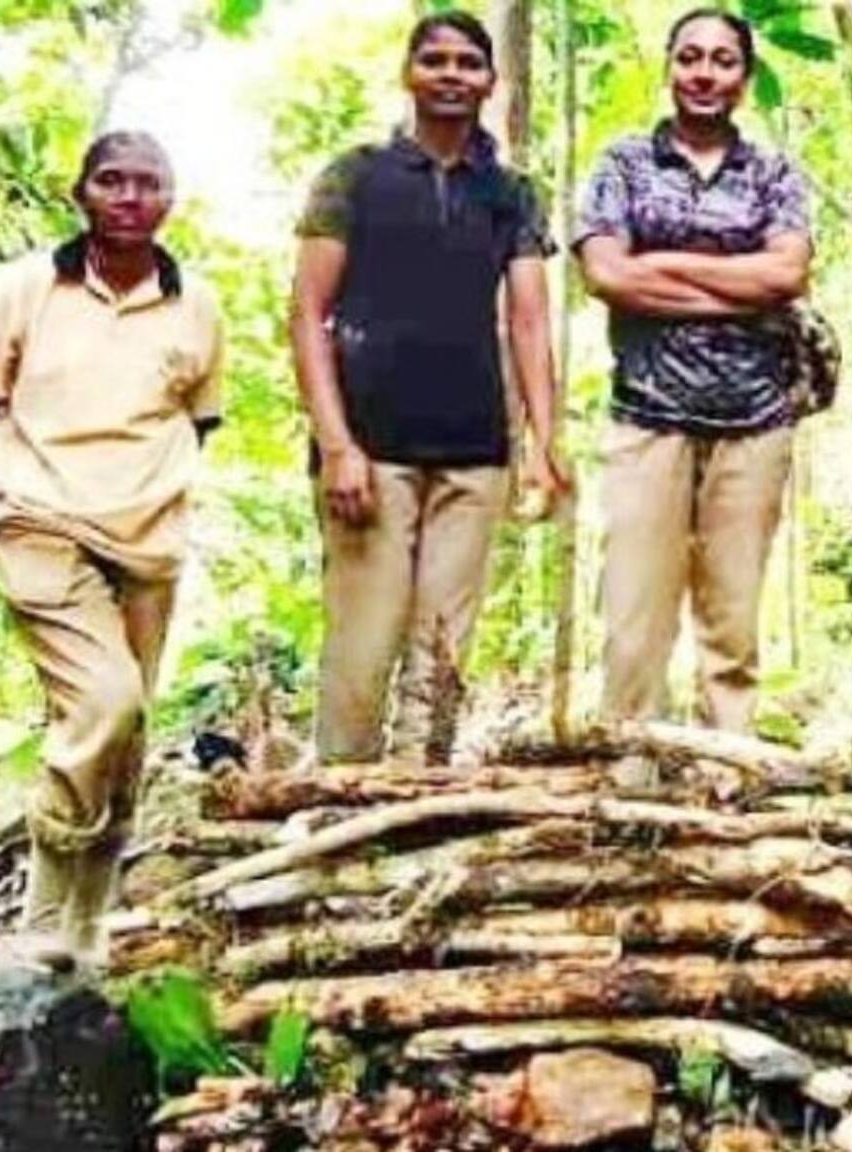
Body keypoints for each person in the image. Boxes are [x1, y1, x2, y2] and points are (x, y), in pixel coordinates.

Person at [291, 10, 564, 766]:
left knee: (442, 648)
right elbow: (308, 313)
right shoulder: (355, 177)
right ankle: (340, 797)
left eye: (468, 63)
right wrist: (336, 445)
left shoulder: (511, 193)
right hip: (369, 447)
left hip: (475, 447)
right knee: (364, 640)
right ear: (408, 74)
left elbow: (530, 320)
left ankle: (418, 792)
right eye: (435, 60)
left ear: (490, 81)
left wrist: (544, 444)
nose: (451, 75)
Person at [0, 132, 222, 961]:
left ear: (170, 199)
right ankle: (44, 914)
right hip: (39, 519)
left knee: (128, 732)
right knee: (103, 703)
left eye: (147, 183)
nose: (129, 197)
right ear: (81, 192)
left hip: (148, 541)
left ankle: (86, 929)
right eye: (111, 181)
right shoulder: (22, 287)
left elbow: (199, 418)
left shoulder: (195, 303)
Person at [575, 8, 813, 734]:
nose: (705, 73)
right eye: (690, 57)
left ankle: (728, 766)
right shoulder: (624, 163)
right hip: (647, 416)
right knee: (633, 621)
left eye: (722, 60)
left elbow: (787, 274)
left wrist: (662, 264)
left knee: (732, 624)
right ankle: (629, 763)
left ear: (745, 76)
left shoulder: (773, 172)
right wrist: (737, 285)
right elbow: (607, 275)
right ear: (670, 66)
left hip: (755, 420)